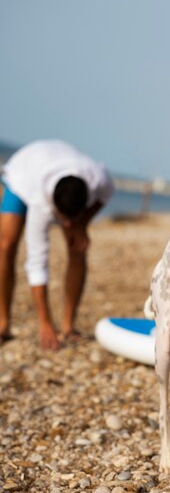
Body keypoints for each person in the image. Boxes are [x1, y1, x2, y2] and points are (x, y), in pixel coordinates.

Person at [0, 139, 114, 350]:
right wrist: (45, 323)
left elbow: (107, 194)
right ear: (54, 209)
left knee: (77, 248)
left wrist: (82, 224)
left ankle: (68, 326)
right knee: (7, 245)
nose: (67, 224)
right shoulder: (40, 204)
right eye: (64, 220)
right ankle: (3, 323)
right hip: (24, 172)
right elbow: (37, 263)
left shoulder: (98, 179)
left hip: (60, 165)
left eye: (73, 218)